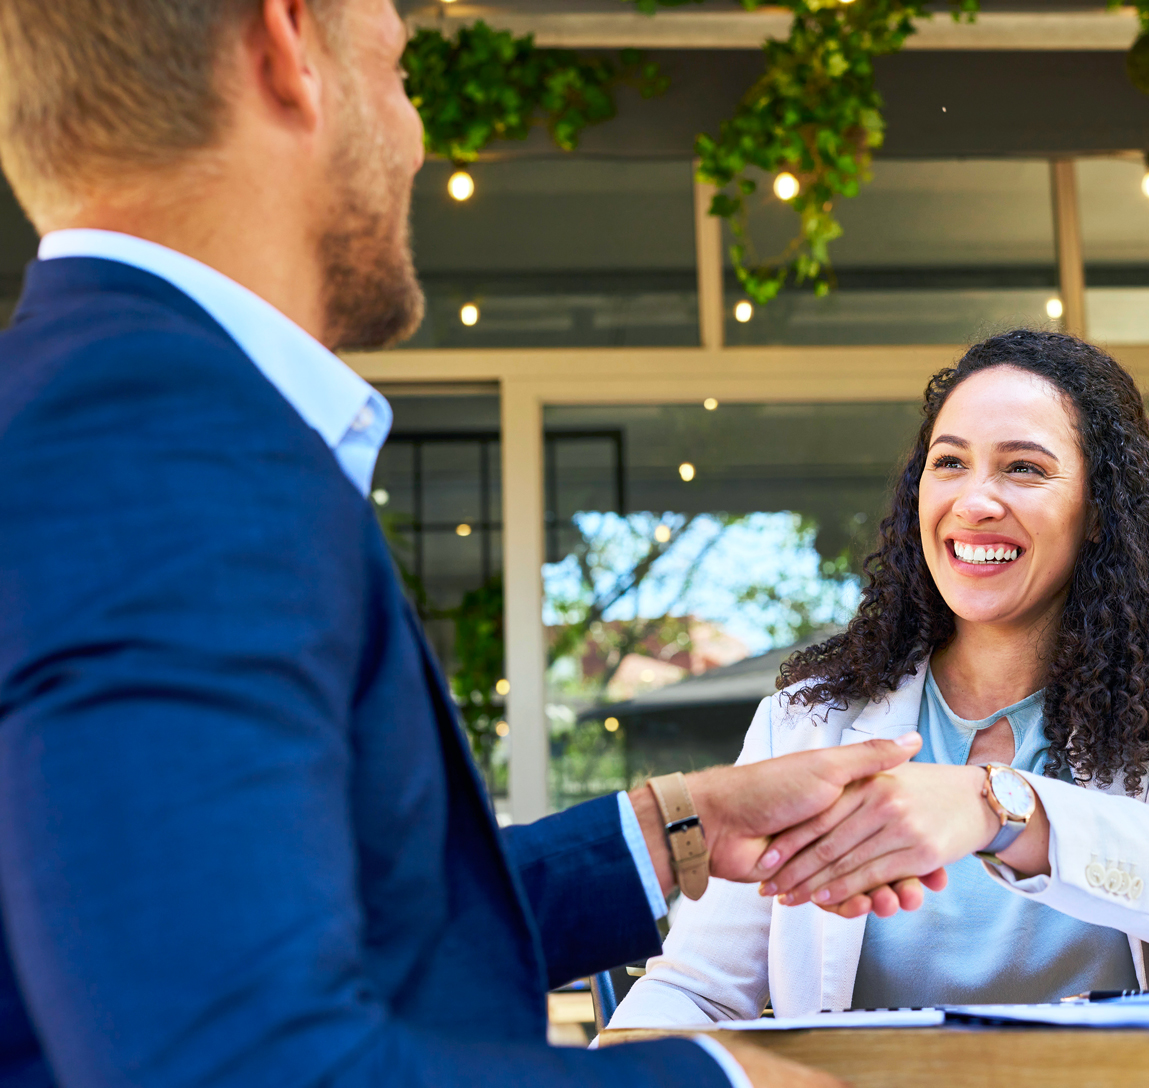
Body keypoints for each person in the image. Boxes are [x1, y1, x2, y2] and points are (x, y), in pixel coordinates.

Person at [0, 2, 933, 1086]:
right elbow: (243, 1066)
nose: (416, 140)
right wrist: (741, 1082)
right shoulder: (162, 443)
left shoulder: (98, 410)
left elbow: (327, 930)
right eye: (398, 72)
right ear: (289, 46)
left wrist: (680, 824)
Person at [610, 329, 1149, 1027]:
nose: (975, 501)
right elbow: (697, 990)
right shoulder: (808, 721)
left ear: (1099, 512)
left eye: (1024, 468)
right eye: (950, 462)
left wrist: (996, 807)